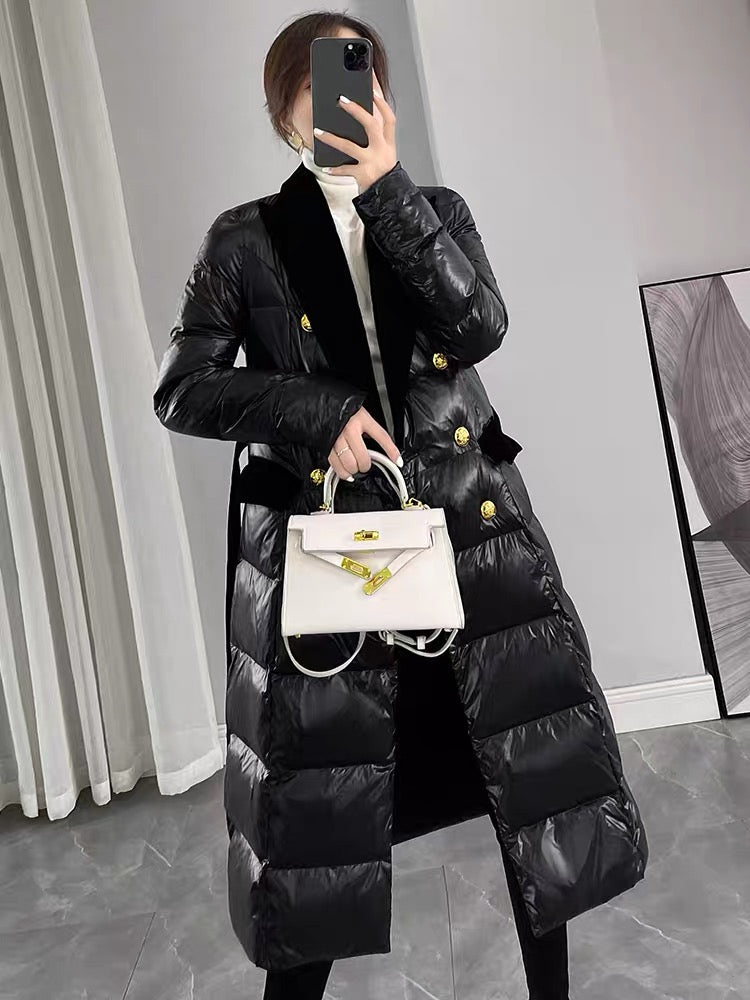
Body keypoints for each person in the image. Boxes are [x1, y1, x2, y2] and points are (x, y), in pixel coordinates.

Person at [153, 11, 648, 1000]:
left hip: (470, 546)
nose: (351, 97)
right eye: (324, 81)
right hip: (340, 563)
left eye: (363, 75)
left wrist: (387, 191)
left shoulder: (436, 209)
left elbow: (481, 324)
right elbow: (182, 388)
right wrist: (316, 411)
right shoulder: (243, 240)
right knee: (323, 827)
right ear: (286, 112)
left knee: (529, 797)